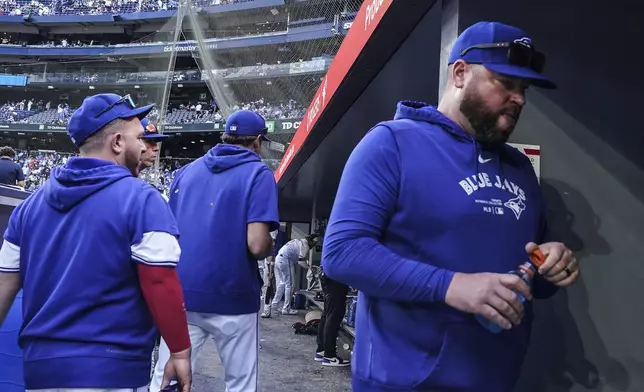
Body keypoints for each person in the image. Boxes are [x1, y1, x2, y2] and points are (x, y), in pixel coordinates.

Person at [321, 21, 580, 392]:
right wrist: (451, 285)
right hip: (403, 382)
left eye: (524, 89)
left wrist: (550, 261)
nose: (519, 98)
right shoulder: (391, 144)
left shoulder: (520, 168)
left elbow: (530, 268)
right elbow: (342, 253)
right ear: (460, 74)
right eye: (505, 83)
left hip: (497, 378)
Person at [0, 93, 193, 392]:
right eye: (139, 137)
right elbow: (160, 282)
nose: (144, 146)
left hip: (41, 371)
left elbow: (3, 286)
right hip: (110, 369)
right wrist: (179, 350)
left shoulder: (30, 205)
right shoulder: (142, 199)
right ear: (117, 142)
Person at [150, 109, 279, 392]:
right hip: (233, 297)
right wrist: (272, 242)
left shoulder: (185, 172)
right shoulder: (258, 173)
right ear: (257, 141)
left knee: (168, 379)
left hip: (183, 295)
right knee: (239, 383)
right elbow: (257, 245)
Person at [269, 234, 319, 316]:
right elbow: (300, 261)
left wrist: (307, 264)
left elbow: (301, 258)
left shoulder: (299, 241)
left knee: (283, 283)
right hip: (285, 260)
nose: (313, 247)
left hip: (279, 259)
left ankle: (275, 304)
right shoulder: (305, 245)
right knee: (289, 285)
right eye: (313, 244)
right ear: (310, 241)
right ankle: (286, 309)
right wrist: (309, 268)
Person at [314, 271, 350, 367]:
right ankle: (329, 356)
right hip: (336, 278)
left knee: (327, 314)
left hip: (328, 275)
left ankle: (321, 350)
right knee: (334, 316)